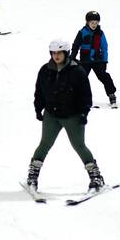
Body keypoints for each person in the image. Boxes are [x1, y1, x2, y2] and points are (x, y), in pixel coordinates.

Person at [28, 40, 106, 193]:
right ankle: (33, 175)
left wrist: (84, 112)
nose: (56, 56)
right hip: (52, 114)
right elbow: (39, 91)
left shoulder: (77, 71)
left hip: (73, 115)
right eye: (54, 53)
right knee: (44, 144)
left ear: (66, 53)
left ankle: (96, 177)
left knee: (79, 146)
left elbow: (86, 95)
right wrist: (38, 108)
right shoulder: (45, 70)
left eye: (59, 53)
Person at [70, 10, 116, 107]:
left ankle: (111, 95)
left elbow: (104, 47)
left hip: (97, 60)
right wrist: (72, 57)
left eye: (96, 23)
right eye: (92, 23)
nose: (94, 25)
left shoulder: (100, 33)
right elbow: (76, 45)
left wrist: (104, 61)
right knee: (80, 78)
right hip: (85, 60)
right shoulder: (82, 32)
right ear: (87, 22)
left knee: (103, 76)